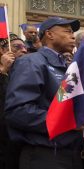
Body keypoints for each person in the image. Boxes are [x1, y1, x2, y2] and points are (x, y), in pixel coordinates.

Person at [4, 17, 82, 169]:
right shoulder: (31, 62)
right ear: (49, 34)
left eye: (73, 32)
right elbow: (18, 111)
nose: (73, 36)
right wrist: (68, 121)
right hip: (44, 155)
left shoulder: (68, 67)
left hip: (70, 155)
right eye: (67, 31)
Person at [0, 33, 27, 169]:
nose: (24, 50)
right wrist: (3, 70)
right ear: (3, 50)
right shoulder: (3, 72)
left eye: (24, 47)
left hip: (19, 142)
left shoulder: (28, 72)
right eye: (17, 47)